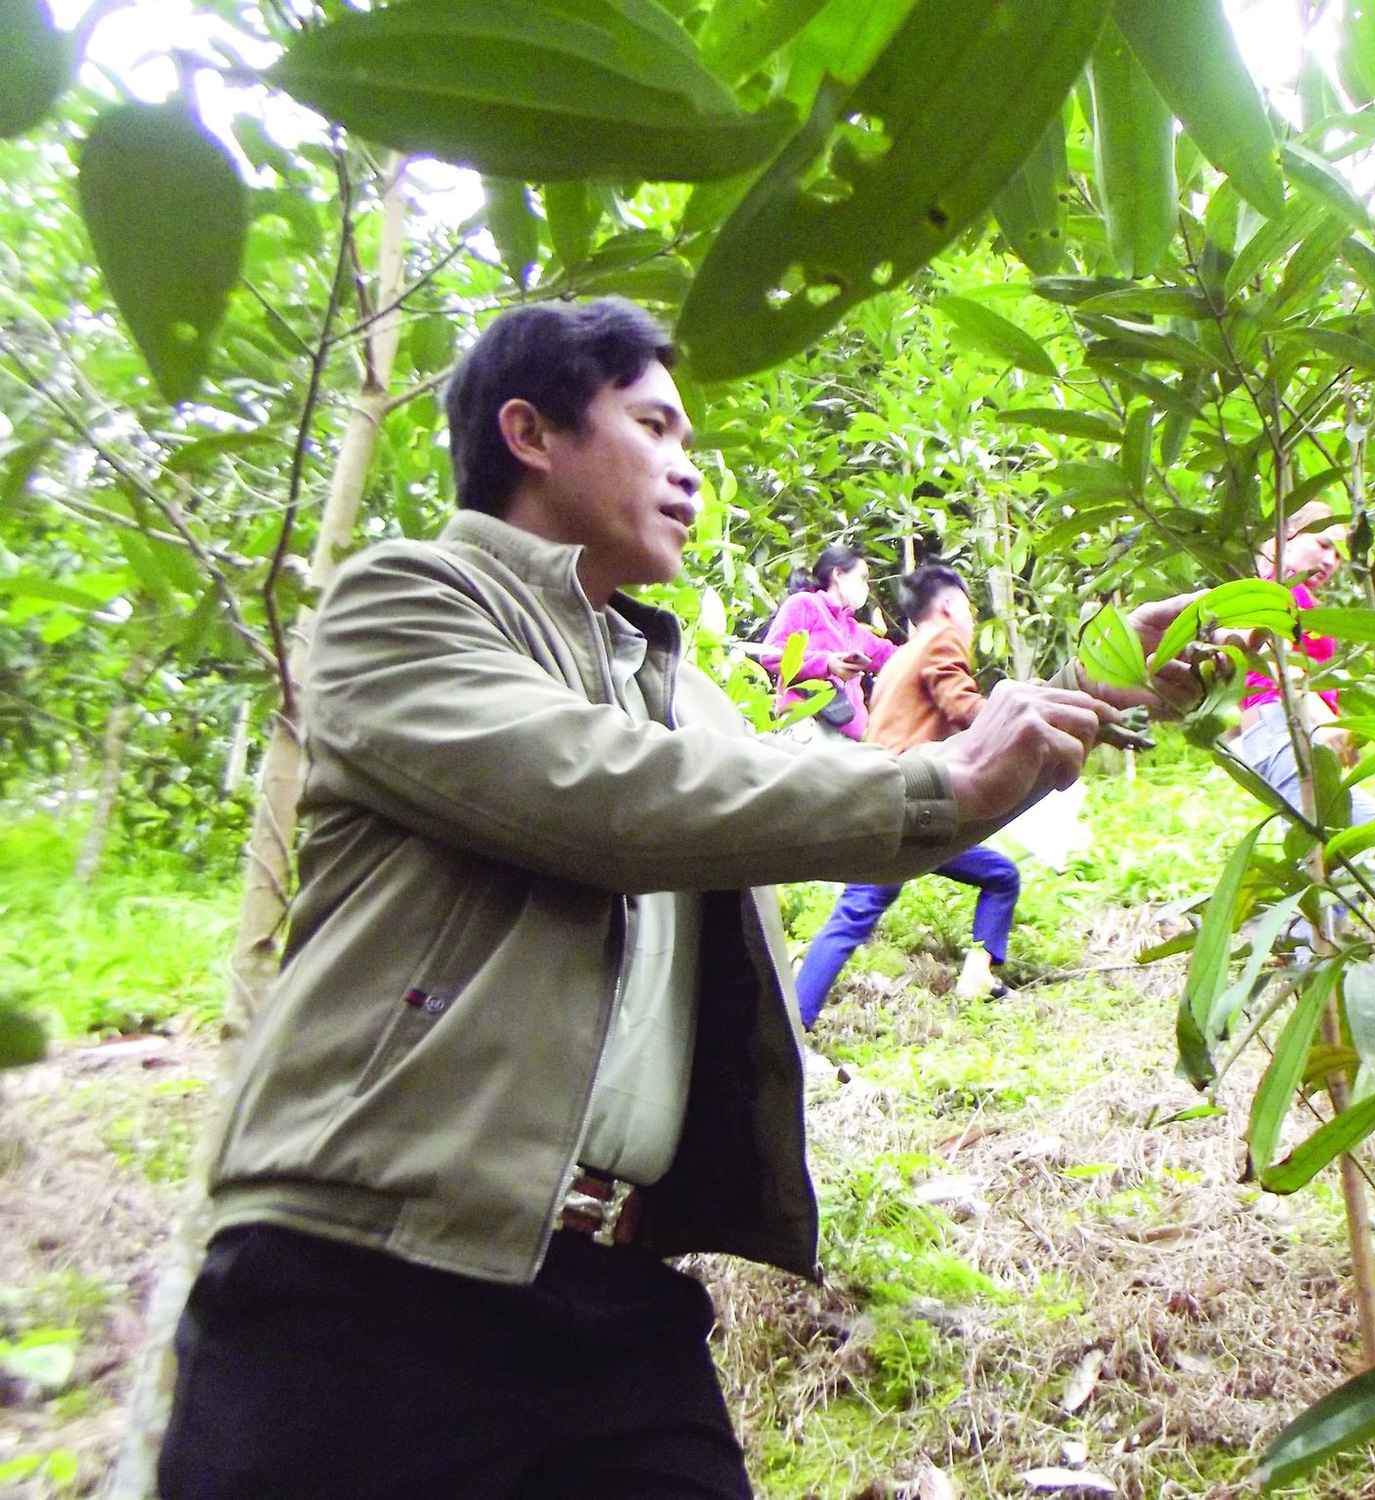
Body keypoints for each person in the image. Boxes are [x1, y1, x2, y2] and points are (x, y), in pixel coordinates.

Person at [156, 297, 1188, 1499]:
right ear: (531, 433)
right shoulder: (404, 605)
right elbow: (610, 796)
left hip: (617, 1291)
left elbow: (829, 787)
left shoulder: (677, 694)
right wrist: (950, 782)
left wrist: (1089, 695)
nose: (689, 473)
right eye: (656, 428)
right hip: (367, 1272)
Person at [792, 564, 1020, 1024]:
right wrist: (1020, 717)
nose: (971, 620)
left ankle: (978, 976)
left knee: (999, 876)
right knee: (858, 909)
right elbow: (961, 704)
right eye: (970, 608)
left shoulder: (900, 656)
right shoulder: (943, 639)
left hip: (889, 794)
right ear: (950, 604)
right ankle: (794, 1018)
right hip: (911, 801)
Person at [1227, 502, 1375, 825]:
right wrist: (1316, 715)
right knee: (1369, 842)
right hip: (1284, 722)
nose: (1331, 561)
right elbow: (1268, 653)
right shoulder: (1274, 585)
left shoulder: (1300, 596)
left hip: (1286, 727)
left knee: (1340, 842)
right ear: (1289, 534)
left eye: (1340, 555)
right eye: (1323, 545)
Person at [758, 542, 896, 742]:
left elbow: (894, 656)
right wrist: (827, 663)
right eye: (862, 578)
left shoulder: (855, 630)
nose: (867, 586)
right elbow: (772, 653)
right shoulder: (805, 603)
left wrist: (927, 641)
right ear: (838, 574)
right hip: (806, 722)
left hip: (848, 740)